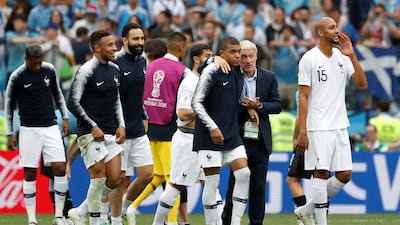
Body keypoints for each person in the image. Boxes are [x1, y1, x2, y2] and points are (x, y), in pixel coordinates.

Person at [294, 17, 368, 225]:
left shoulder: (342, 57)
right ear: (320, 33)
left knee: (345, 175)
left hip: (340, 125)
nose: (337, 31)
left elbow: (362, 84)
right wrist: (303, 131)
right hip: (317, 125)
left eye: (337, 26)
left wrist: (352, 55)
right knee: (321, 173)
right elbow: (304, 97)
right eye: (331, 27)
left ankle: (306, 210)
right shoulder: (309, 59)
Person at [127, 32, 190, 225]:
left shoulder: (149, 66)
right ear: (181, 48)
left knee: (158, 175)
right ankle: (170, 222)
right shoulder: (182, 71)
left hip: (148, 125)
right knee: (174, 179)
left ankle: (131, 206)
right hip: (170, 127)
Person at [4, 44, 70, 225]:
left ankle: (58, 216)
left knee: (60, 167)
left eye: (40, 62)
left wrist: (64, 117)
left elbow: (58, 94)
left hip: (50, 126)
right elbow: (9, 105)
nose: (38, 66)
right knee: (30, 172)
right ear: (26, 60)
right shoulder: (17, 76)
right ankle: (32, 219)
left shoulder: (49, 70)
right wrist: (10, 132)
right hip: (28, 129)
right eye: (34, 63)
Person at [67, 30, 126, 225]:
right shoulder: (86, 70)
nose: (115, 48)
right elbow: (72, 102)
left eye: (114, 44)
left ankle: (80, 212)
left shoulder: (115, 70)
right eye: (110, 45)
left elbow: (116, 99)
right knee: (99, 178)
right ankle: (94, 221)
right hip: (90, 133)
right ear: (97, 48)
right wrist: (92, 126)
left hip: (110, 130)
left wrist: (121, 125)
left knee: (115, 179)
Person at [221, 40, 281, 225]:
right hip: (238, 138)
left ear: (256, 57)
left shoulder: (268, 77)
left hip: (260, 140)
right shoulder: (231, 76)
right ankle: (228, 221)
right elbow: (226, 104)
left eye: (251, 56)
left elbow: (277, 105)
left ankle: (256, 223)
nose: (247, 60)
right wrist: (247, 108)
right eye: (243, 56)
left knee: (258, 187)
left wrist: (259, 106)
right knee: (234, 184)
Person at [192, 36, 250, 225]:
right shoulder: (212, 70)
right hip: (210, 137)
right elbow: (196, 102)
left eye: (238, 52)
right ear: (222, 53)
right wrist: (213, 127)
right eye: (232, 52)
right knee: (212, 183)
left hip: (231, 136)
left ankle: (234, 222)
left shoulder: (237, 72)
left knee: (244, 174)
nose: (237, 56)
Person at [112, 23, 154, 225]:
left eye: (142, 38)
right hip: (118, 131)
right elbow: (112, 99)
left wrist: (144, 114)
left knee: (147, 174)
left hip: (138, 129)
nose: (140, 43)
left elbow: (138, 95)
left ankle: (123, 209)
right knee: (117, 180)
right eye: (136, 39)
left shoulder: (143, 61)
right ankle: (113, 218)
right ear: (125, 40)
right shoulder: (115, 63)